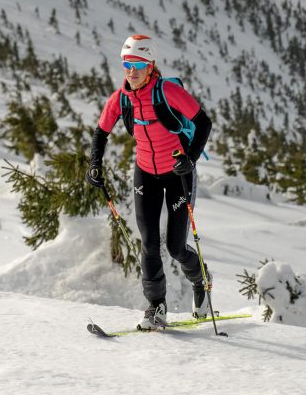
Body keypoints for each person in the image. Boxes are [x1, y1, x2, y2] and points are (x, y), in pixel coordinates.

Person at [85, 34, 213, 330]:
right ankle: (156, 307)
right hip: (145, 174)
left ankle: (200, 281)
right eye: (127, 63)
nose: (132, 70)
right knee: (150, 243)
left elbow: (204, 122)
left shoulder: (167, 91)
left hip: (178, 173)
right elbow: (100, 132)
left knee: (177, 247)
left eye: (139, 64)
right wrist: (95, 164)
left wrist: (190, 159)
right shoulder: (120, 99)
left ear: (151, 65)